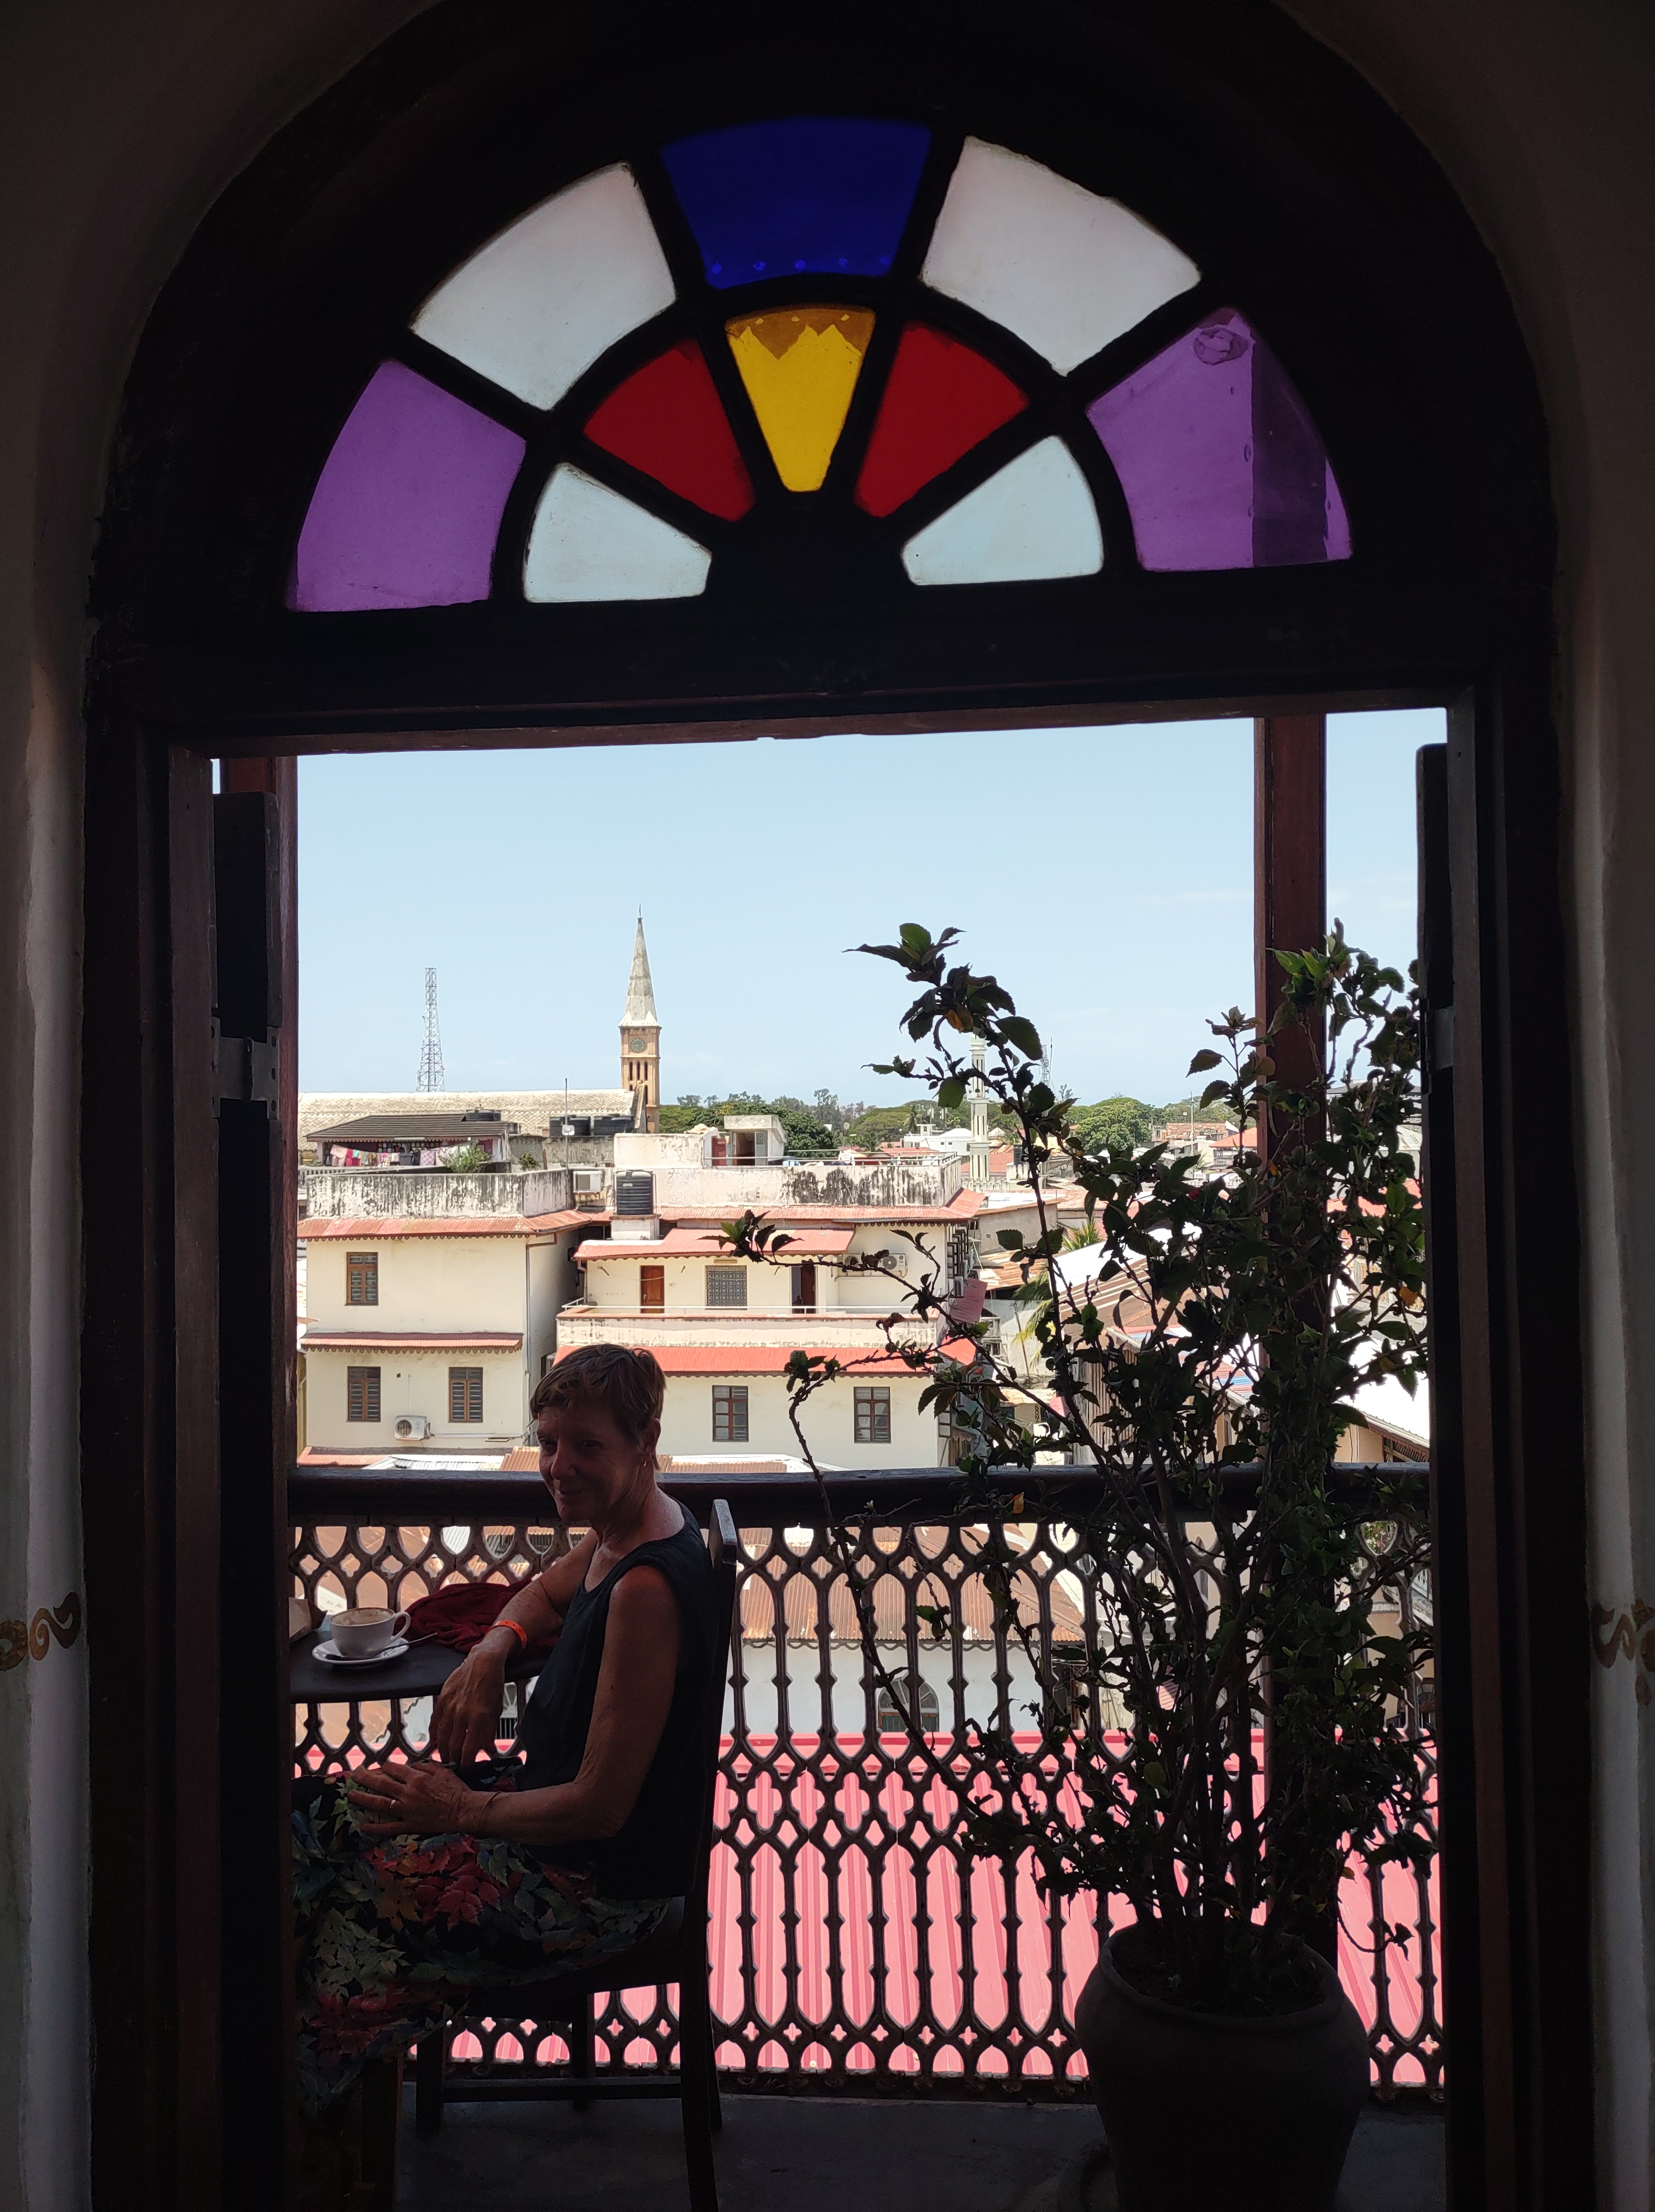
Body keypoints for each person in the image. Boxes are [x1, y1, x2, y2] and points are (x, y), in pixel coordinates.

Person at [292, 1343, 717, 2117]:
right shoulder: (623, 1531)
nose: (559, 1467)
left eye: (587, 1446)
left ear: (644, 1443)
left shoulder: (646, 1588)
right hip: (538, 1826)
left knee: (348, 1900)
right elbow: (541, 1596)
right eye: (550, 1444)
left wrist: (458, 1810)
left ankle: (309, 2120)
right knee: (310, 1813)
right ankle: (306, 2105)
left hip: (592, 1889)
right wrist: (493, 1650)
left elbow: (601, 1808)